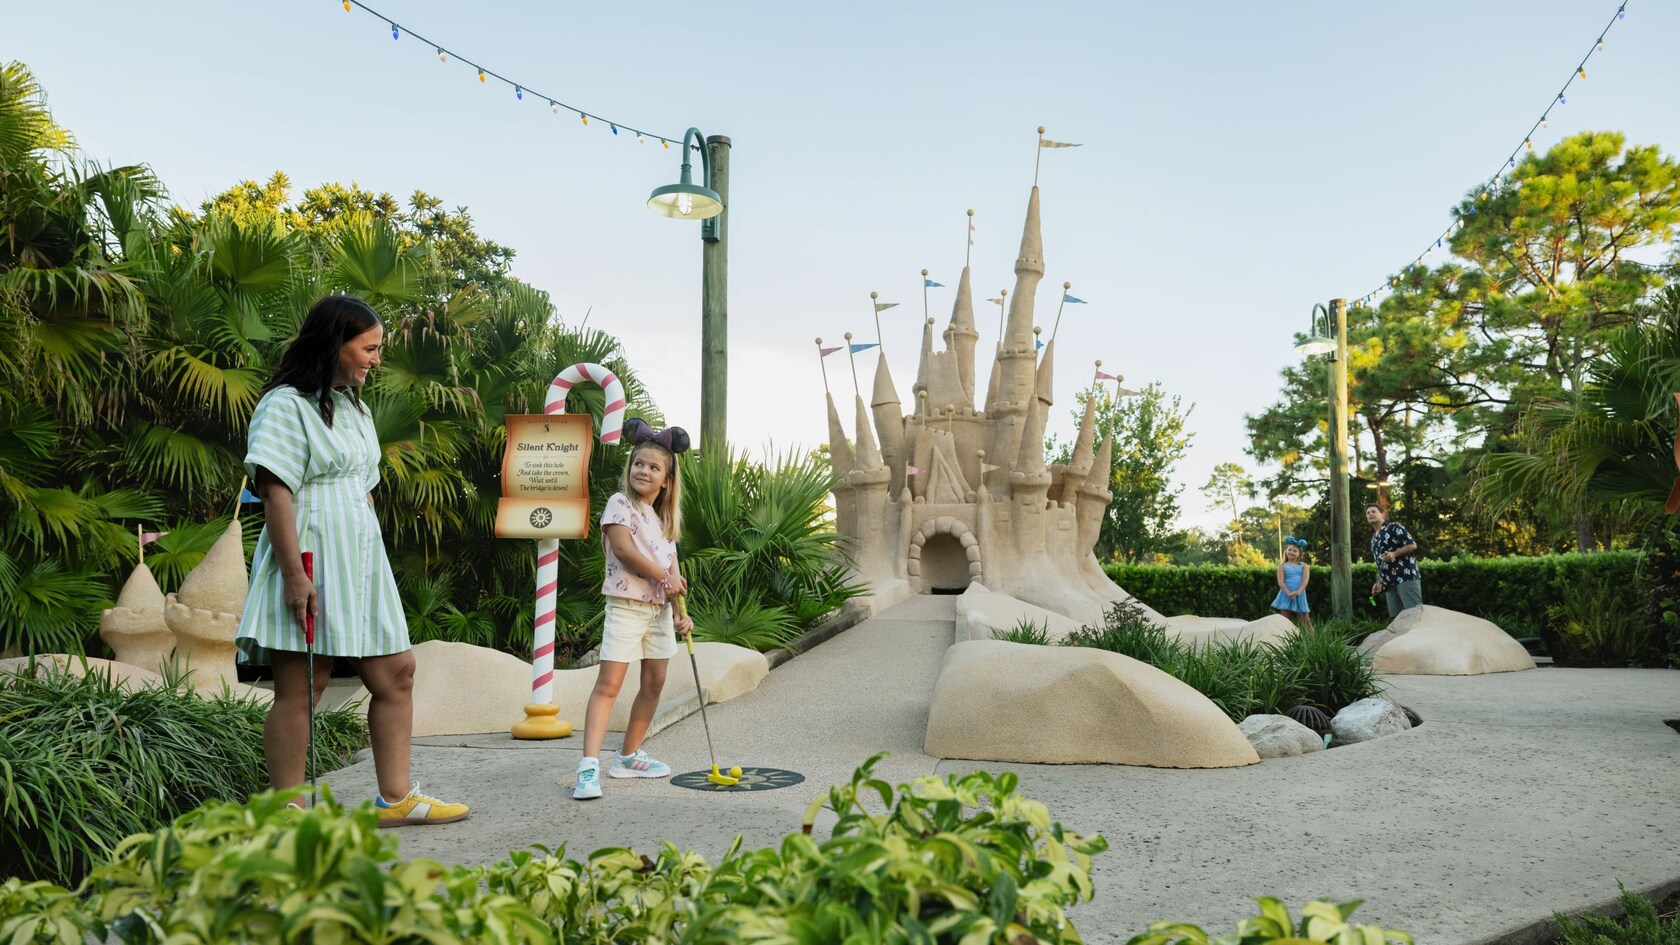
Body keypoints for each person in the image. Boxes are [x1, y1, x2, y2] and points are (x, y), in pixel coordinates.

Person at [237, 294, 468, 827]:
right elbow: (275, 493)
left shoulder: (354, 406)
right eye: (369, 348)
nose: (376, 360)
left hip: (361, 556)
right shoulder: (284, 405)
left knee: (398, 673)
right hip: (310, 552)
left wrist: (369, 545)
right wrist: (295, 576)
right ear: (334, 345)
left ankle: (396, 799)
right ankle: (288, 813)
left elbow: (363, 486)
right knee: (304, 687)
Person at [573, 418, 695, 801]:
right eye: (638, 463)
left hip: (657, 612)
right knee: (609, 685)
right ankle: (588, 767)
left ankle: (626, 756)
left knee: (654, 683)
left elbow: (673, 572)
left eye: (654, 467)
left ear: (667, 481)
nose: (644, 470)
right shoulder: (620, 504)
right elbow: (625, 551)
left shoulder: (662, 521)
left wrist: (680, 612)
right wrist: (666, 578)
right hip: (626, 607)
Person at [1367, 504, 1423, 618]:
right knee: (1396, 620)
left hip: (1405, 577)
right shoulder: (1374, 538)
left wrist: (1394, 554)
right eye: (1368, 513)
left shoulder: (1394, 527)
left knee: (1414, 615)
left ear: (1383, 514)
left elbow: (1412, 545)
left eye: (1373, 511)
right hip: (1388, 583)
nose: (1370, 514)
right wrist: (1379, 581)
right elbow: (1380, 563)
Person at [1269, 536, 1315, 632]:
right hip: (1286, 595)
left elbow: (1304, 581)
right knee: (1284, 622)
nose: (1291, 552)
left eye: (1295, 551)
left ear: (1299, 554)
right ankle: (1284, 644)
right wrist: (1289, 593)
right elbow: (1281, 582)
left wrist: (1297, 592)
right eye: (1289, 550)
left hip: (1300, 595)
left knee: (1306, 621)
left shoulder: (1304, 566)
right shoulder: (1282, 566)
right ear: (1286, 551)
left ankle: (1313, 644)